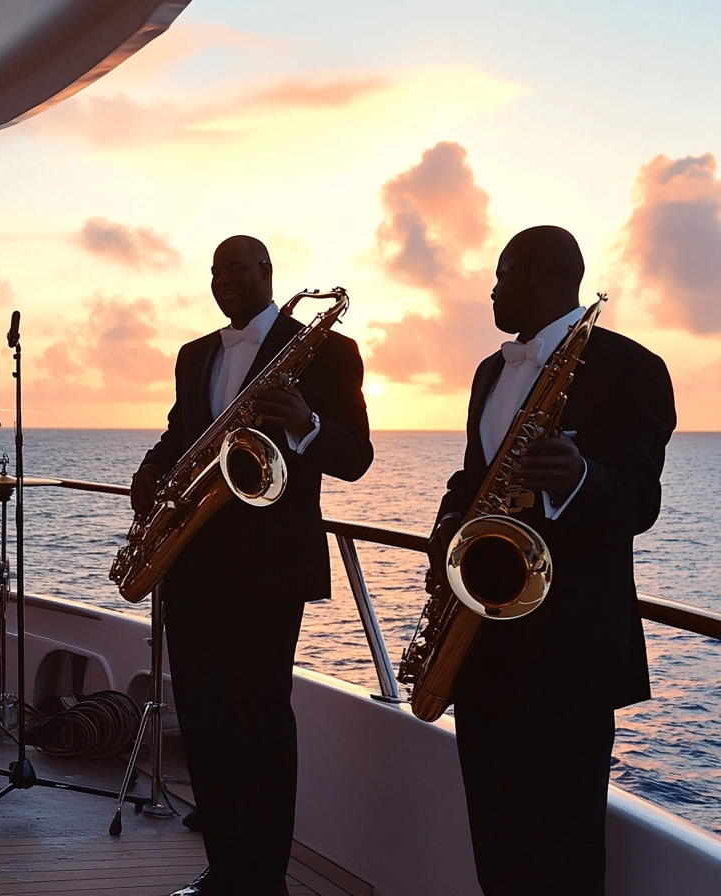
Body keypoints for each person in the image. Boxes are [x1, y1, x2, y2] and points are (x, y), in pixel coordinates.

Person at [425, 225, 675, 896]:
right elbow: (473, 476)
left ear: (537, 274)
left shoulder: (632, 367)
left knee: (562, 847)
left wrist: (578, 478)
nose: (492, 289)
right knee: (497, 835)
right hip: (482, 638)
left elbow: (640, 502)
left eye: (502, 276)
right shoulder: (489, 371)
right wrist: (449, 525)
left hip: (570, 655)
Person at [131, 236, 373, 896]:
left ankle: (264, 882)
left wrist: (308, 423)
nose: (223, 281)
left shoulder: (327, 350)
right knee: (205, 726)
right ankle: (225, 871)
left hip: (268, 570)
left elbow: (356, 455)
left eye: (236, 270)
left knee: (259, 726)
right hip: (192, 563)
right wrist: (153, 467)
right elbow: (182, 432)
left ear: (268, 273)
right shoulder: (196, 355)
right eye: (215, 272)